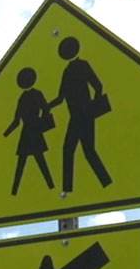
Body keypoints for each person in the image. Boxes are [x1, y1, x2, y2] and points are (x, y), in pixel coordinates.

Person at [47, 36, 112, 193]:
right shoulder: (67, 71)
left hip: (85, 116)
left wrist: (93, 107)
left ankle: (106, 183)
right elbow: (61, 97)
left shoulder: (83, 65)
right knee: (72, 150)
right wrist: (48, 107)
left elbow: (98, 86)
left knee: (86, 151)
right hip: (75, 117)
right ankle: (68, 189)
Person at [2, 66, 55, 195]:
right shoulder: (29, 96)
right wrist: (4, 135)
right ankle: (15, 192)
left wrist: (6, 134)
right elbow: (17, 120)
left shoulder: (27, 97)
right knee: (29, 162)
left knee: (36, 161)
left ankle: (51, 187)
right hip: (31, 132)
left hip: (30, 132)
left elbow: (17, 121)